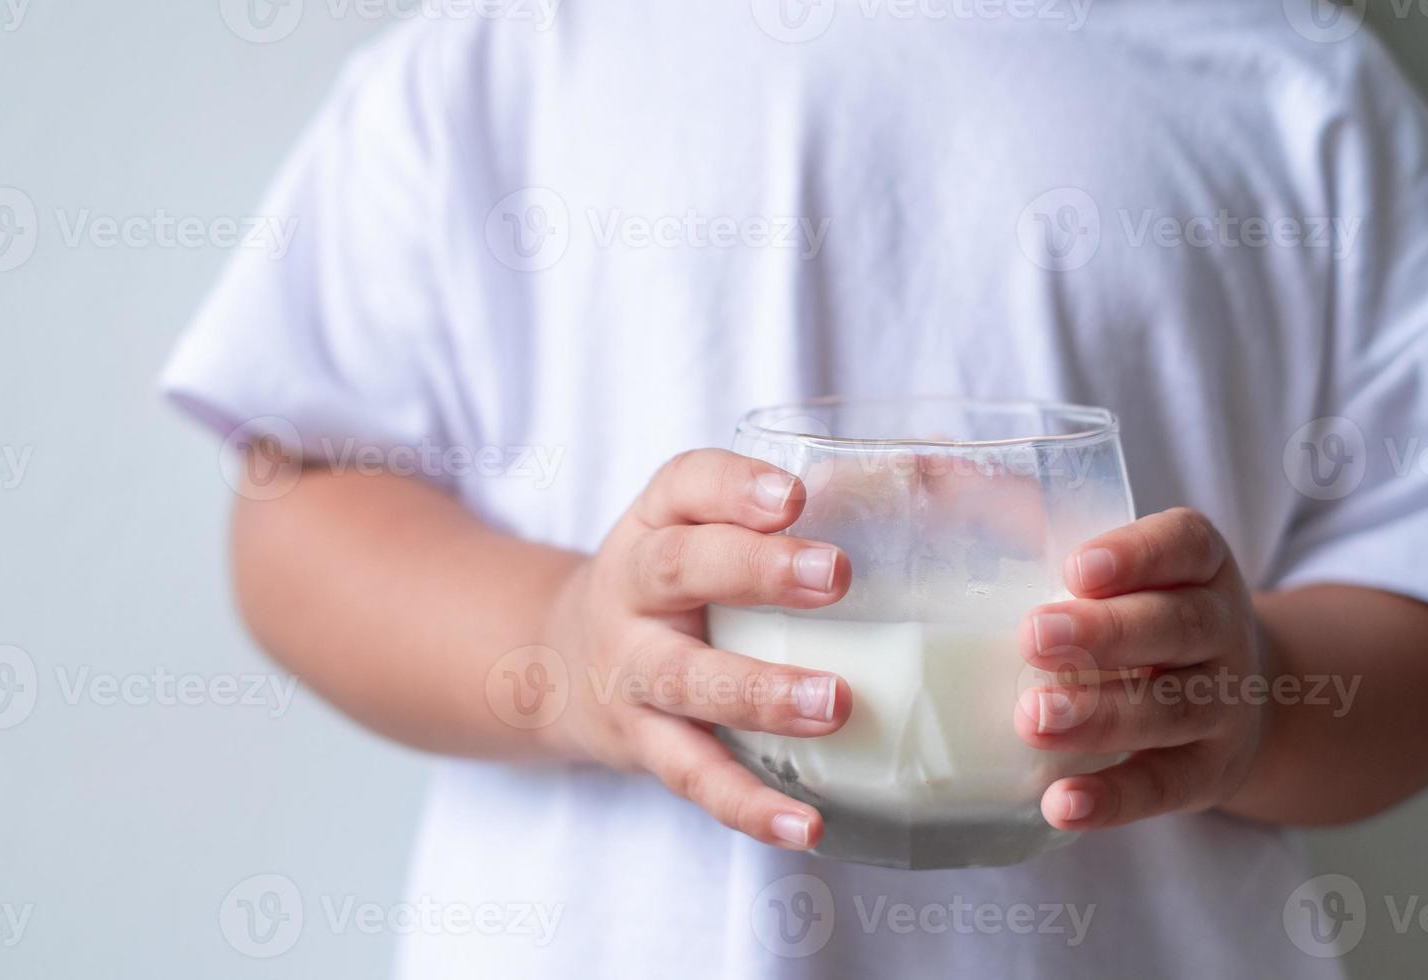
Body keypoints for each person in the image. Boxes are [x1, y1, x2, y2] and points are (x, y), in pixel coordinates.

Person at [162, 1, 1428, 975]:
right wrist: (565, 645)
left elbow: (1407, 605)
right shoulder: (508, 51)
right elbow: (303, 501)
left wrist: (1256, 699)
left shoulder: (1297, 84)